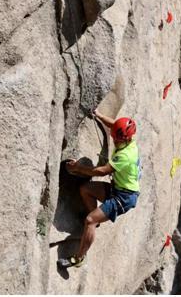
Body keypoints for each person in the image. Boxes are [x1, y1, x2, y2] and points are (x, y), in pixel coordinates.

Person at [57, 109, 141, 268]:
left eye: (117, 139)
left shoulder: (125, 155)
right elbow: (114, 125)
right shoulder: (127, 139)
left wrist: (78, 168)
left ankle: (79, 258)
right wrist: (99, 115)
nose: (114, 140)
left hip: (124, 197)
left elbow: (102, 171)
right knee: (85, 189)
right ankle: (97, 220)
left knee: (89, 221)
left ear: (125, 138)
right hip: (119, 188)